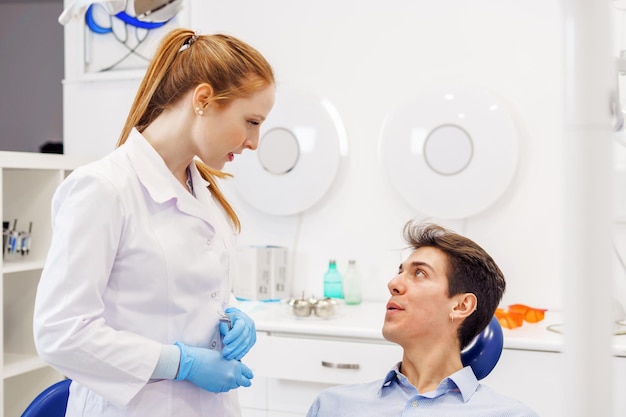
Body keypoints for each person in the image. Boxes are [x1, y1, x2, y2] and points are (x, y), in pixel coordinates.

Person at [33, 28, 275, 417]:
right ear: (203, 99)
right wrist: (182, 363)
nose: (254, 142)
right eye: (251, 121)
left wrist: (230, 314)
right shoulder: (104, 189)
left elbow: (188, 293)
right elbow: (60, 333)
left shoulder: (204, 192)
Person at [307, 221, 539, 416]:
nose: (393, 284)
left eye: (420, 273)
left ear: (461, 306)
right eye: (400, 272)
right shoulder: (332, 406)